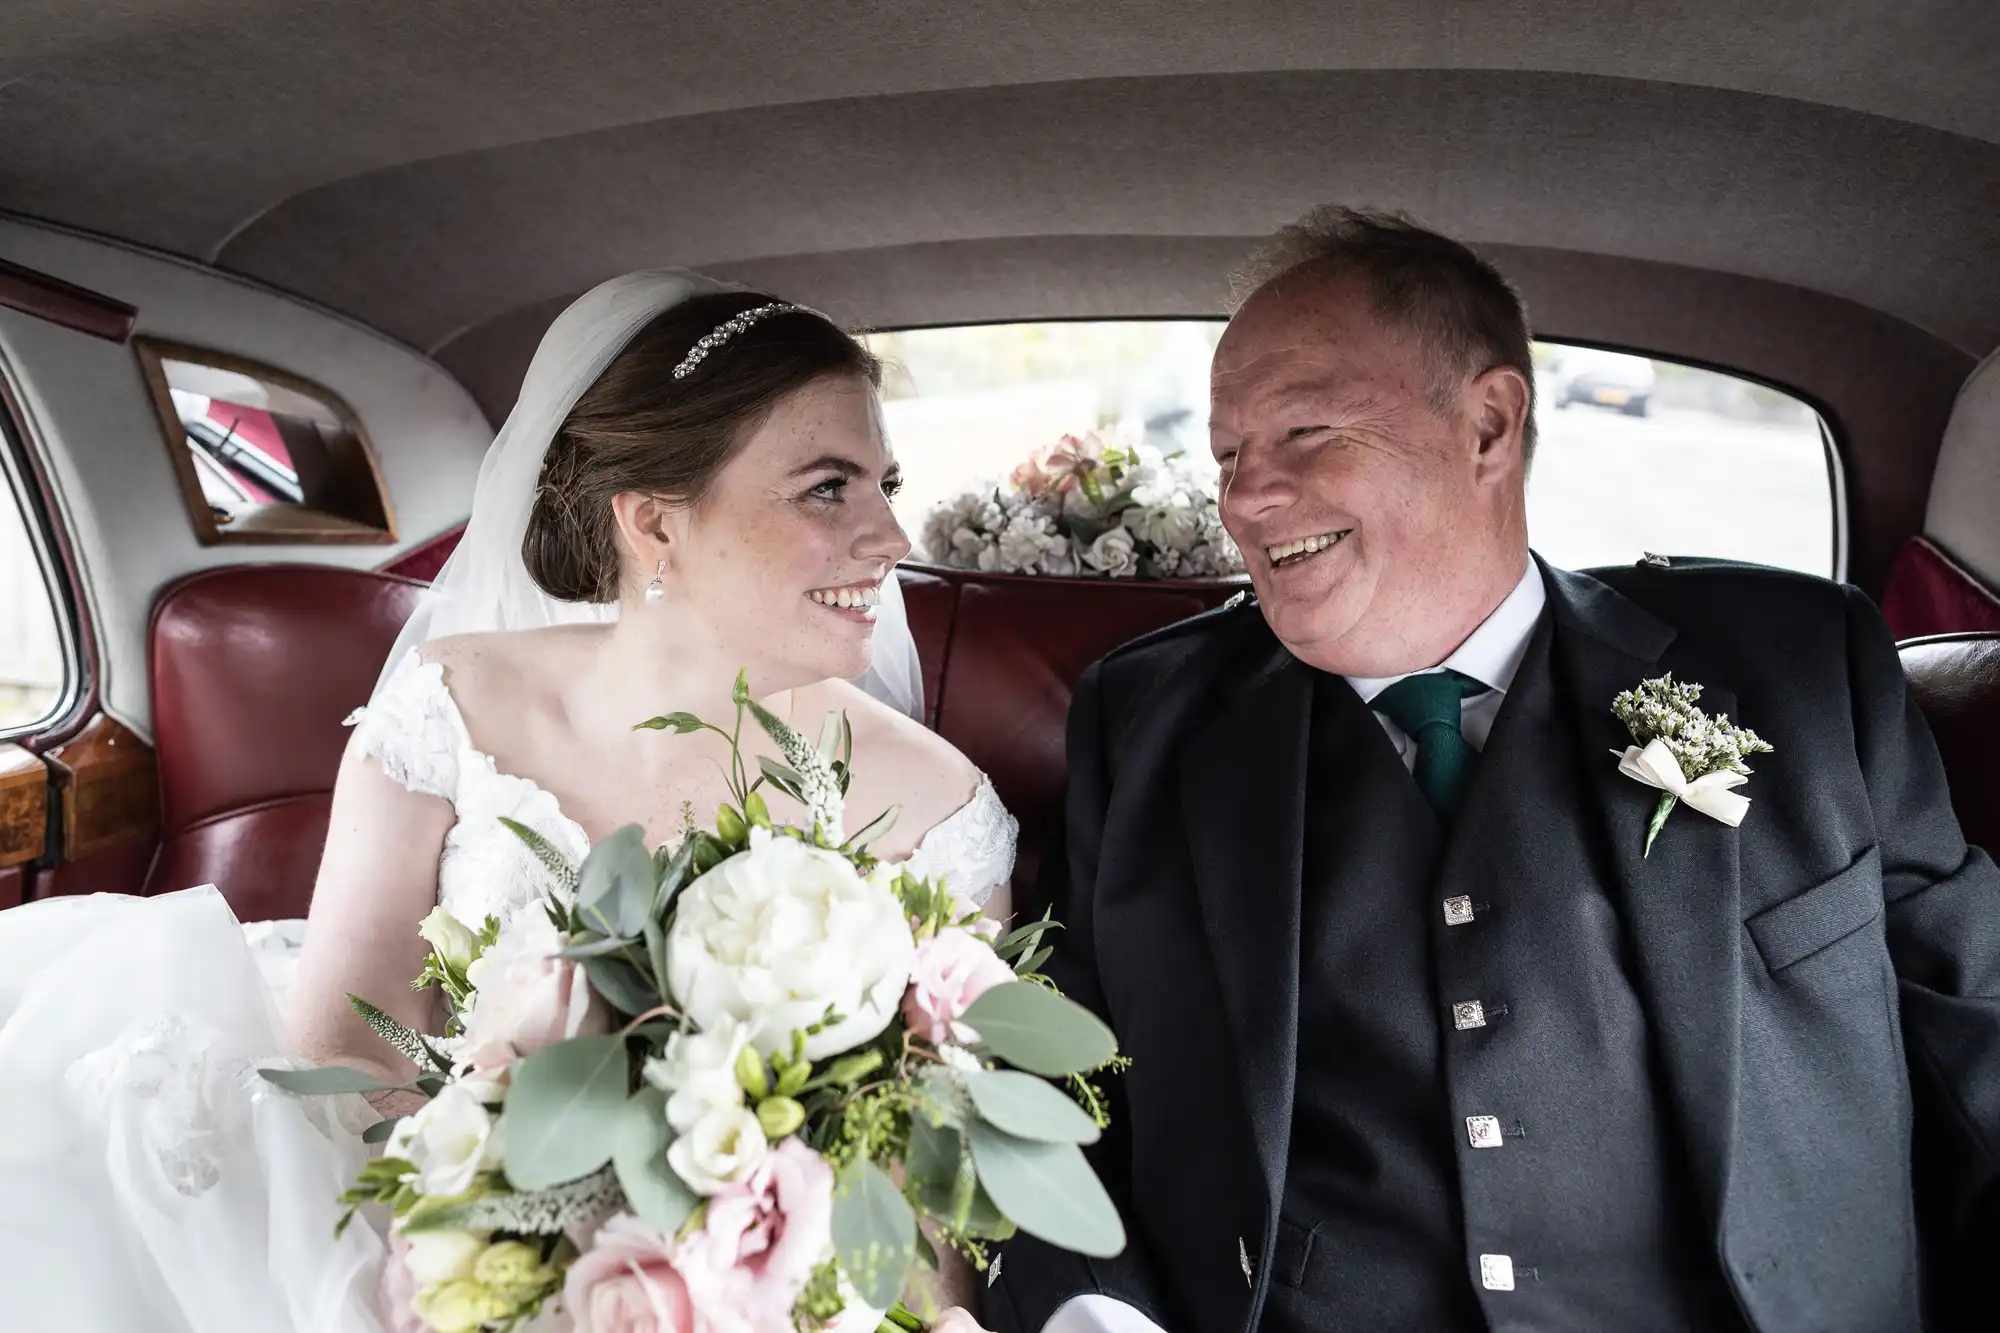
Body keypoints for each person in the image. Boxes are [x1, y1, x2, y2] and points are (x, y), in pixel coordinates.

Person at [989, 208, 2000, 1333]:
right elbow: (1040, 1082)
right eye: (1228, 455)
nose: (1242, 497)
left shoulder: (1795, 668)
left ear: (1487, 424)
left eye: (1305, 432)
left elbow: (1975, 1037)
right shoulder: (1148, 722)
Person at [0, 271, 1018, 1331]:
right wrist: (496, 1231)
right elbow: (349, 1052)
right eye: (827, 488)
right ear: (652, 523)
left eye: (884, 484)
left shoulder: (941, 811)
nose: (890, 536)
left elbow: (934, 1194)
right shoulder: (453, 704)